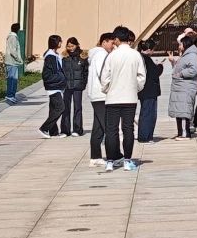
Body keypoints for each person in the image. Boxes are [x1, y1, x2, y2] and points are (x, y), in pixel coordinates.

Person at [99, 26, 146, 172]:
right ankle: (127, 160)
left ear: (117, 39)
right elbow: (141, 77)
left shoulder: (111, 56)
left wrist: (107, 89)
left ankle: (110, 161)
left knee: (111, 130)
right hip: (129, 98)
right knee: (128, 129)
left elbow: (104, 78)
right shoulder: (136, 55)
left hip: (113, 98)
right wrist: (134, 88)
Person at [87, 31, 116, 167]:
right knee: (108, 127)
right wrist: (110, 88)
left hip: (96, 95)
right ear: (104, 42)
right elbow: (103, 74)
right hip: (101, 95)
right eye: (111, 43)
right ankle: (114, 156)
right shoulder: (101, 55)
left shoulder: (97, 54)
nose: (113, 46)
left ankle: (95, 156)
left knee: (98, 127)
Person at [168, 35, 197, 139]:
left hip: (185, 87)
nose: (179, 46)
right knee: (180, 110)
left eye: (180, 44)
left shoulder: (192, 55)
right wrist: (173, 62)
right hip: (180, 87)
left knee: (183, 111)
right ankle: (181, 133)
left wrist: (181, 74)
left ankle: (185, 134)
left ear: (185, 44)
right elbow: (181, 67)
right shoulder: (185, 55)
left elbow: (193, 70)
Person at [39, 35, 66, 138]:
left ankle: (53, 132)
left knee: (53, 109)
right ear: (55, 43)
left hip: (57, 86)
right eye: (59, 41)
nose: (61, 43)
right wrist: (61, 77)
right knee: (60, 108)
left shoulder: (55, 54)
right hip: (53, 87)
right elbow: (49, 74)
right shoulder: (50, 56)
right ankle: (44, 128)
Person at [61, 37, 89, 136]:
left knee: (78, 108)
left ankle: (77, 129)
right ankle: (65, 130)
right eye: (68, 46)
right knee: (65, 108)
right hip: (67, 86)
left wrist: (83, 83)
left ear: (77, 45)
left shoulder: (83, 57)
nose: (70, 48)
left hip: (78, 86)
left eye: (72, 46)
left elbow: (86, 72)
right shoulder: (64, 57)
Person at [137, 40, 163, 143]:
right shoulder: (146, 59)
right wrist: (160, 66)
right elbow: (154, 73)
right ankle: (145, 136)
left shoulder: (140, 58)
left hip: (143, 91)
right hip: (149, 91)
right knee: (149, 114)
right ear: (148, 50)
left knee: (145, 113)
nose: (153, 52)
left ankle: (144, 135)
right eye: (152, 50)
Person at [4, 23, 22, 103]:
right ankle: (9, 95)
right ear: (17, 29)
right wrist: (18, 59)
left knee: (14, 80)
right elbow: (13, 51)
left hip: (13, 62)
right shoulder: (13, 37)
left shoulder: (13, 37)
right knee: (11, 79)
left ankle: (12, 95)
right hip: (11, 62)